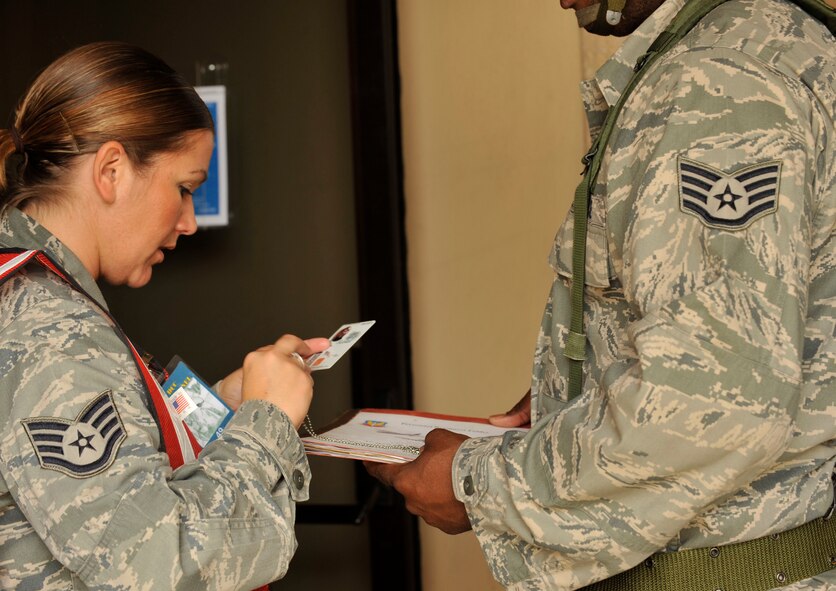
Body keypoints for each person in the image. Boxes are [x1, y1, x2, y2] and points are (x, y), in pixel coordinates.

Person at [366, 0, 835, 589]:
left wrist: (474, 484)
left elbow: (713, 405)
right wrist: (582, 386)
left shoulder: (717, 79)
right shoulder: (781, 39)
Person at [0, 42, 329, 589]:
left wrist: (221, 406)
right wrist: (266, 422)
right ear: (111, 170)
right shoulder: (52, 332)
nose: (189, 221)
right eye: (183, 189)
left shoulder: (33, 294)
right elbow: (154, 562)